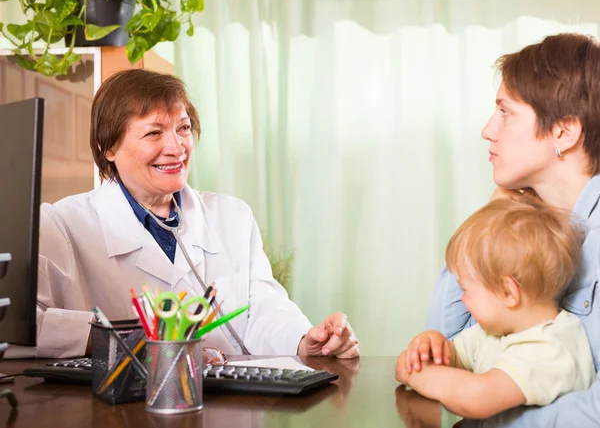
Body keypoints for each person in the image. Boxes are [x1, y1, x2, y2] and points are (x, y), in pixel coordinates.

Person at [6, 69, 360, 360]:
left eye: (184, 128)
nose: (176, 147)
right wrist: (132, 343)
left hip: (233, 405)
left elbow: (263, 308)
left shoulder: (232, 215)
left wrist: (305, 339)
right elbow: (18, 326)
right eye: (154, 132)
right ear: (108, 147)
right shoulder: (59, 226)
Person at [414, 33, 600, 426]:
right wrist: (499, 207)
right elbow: (442, 345)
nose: (487, 130)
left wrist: (485, 419)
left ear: (563, 133)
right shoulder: (524, 222)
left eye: (505, 112)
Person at [395, 197, 595, 419]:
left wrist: (416, 373)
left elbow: (476, 399)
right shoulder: (491, 334)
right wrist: (431, 346)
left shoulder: (553, 348)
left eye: (466, 290)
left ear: (508, 292)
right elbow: (423, 363)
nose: (462, 300)